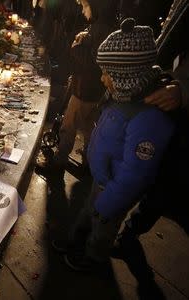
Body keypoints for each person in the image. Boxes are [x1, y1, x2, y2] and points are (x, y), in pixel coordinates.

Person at [62, 18, 176, 271]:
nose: (102, 79)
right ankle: (77, 240)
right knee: (88, 211)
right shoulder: (122, 96)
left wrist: (109, 203)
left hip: (115, 188)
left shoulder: (149, 118)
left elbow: (136, 174)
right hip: (102, 178)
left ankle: (95, 257)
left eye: (107, 73)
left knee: (103, 223)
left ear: (127, 77)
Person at [113, 0, 189, 255]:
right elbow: (167, 38)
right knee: (145, 166)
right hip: (161, 91)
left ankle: (127, 234)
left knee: (168, 177)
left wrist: (184, 90)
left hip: (179, 108)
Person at [41, 0, 118, 171]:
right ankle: (89, 160)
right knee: (90, 126)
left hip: (84, 88)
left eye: (85, 6)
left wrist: (76, 46)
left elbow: (91, 63)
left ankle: (60, 159)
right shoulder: (106, 28)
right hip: (96, 90)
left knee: (69, 124)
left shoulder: (99, 30)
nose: (83, 11)